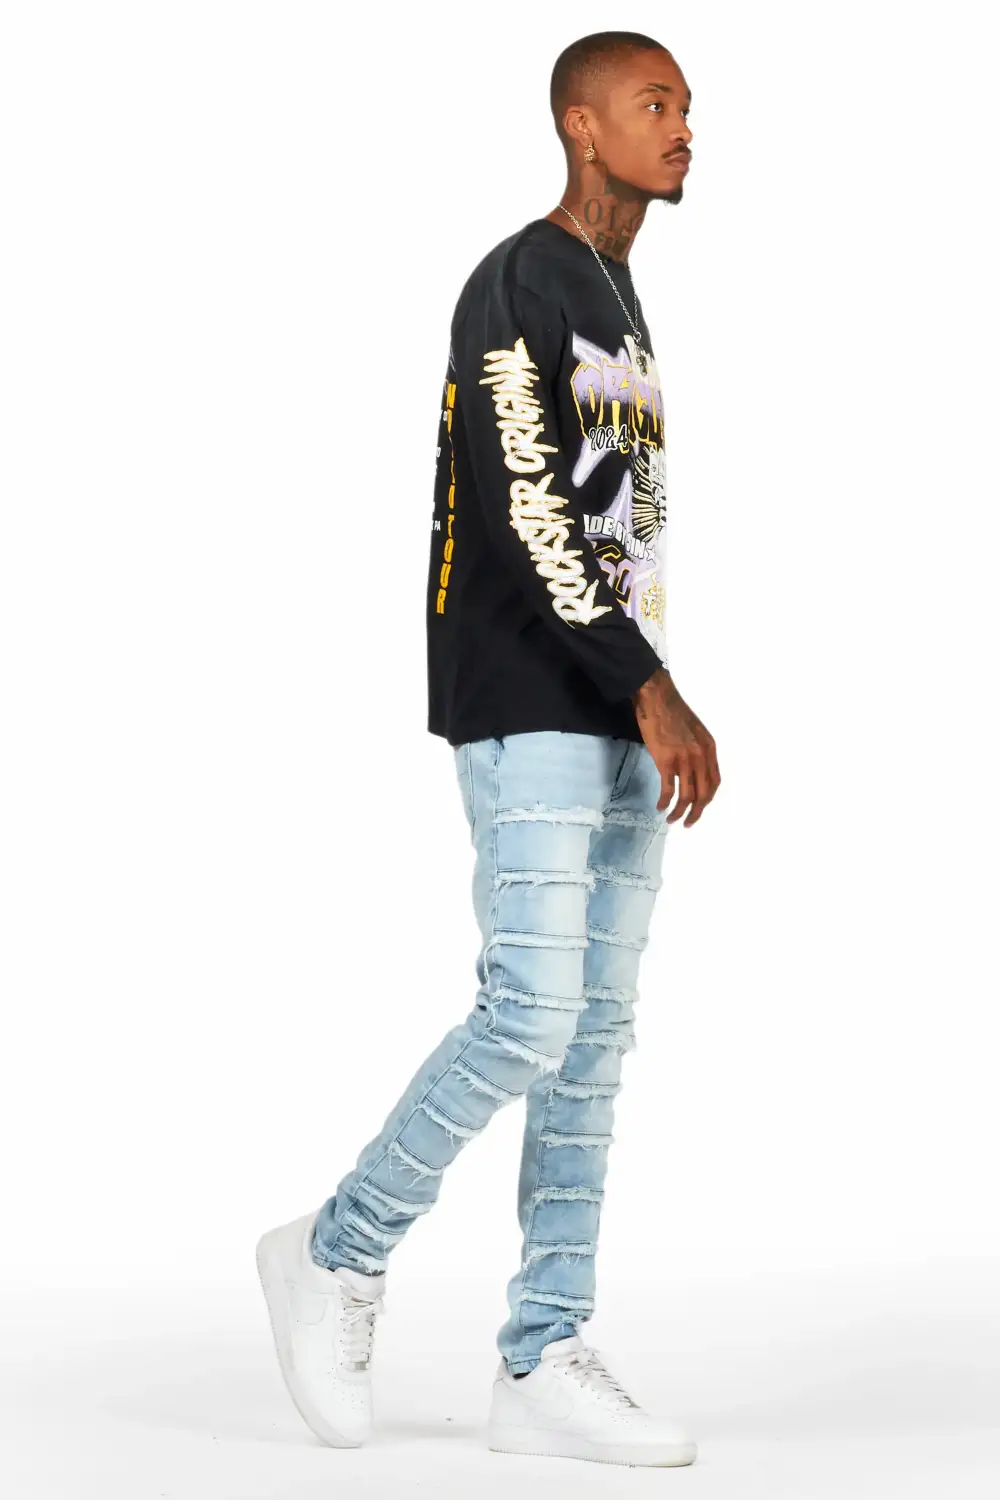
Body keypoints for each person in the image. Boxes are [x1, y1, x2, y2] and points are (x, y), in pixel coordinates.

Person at [256, 29, 720, 1469]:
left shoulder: (621, 296)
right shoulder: (522, 279)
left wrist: (642, 690)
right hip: (531, 702)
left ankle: (542, 1354)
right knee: (529, 1015)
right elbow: (530, 503)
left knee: (594, 1041)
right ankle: (335, 1248)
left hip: (615, 706)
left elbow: (618, 519)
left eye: (689, 107)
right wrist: (652, 686)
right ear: (583, 125)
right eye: (655, 104)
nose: (685, 128)